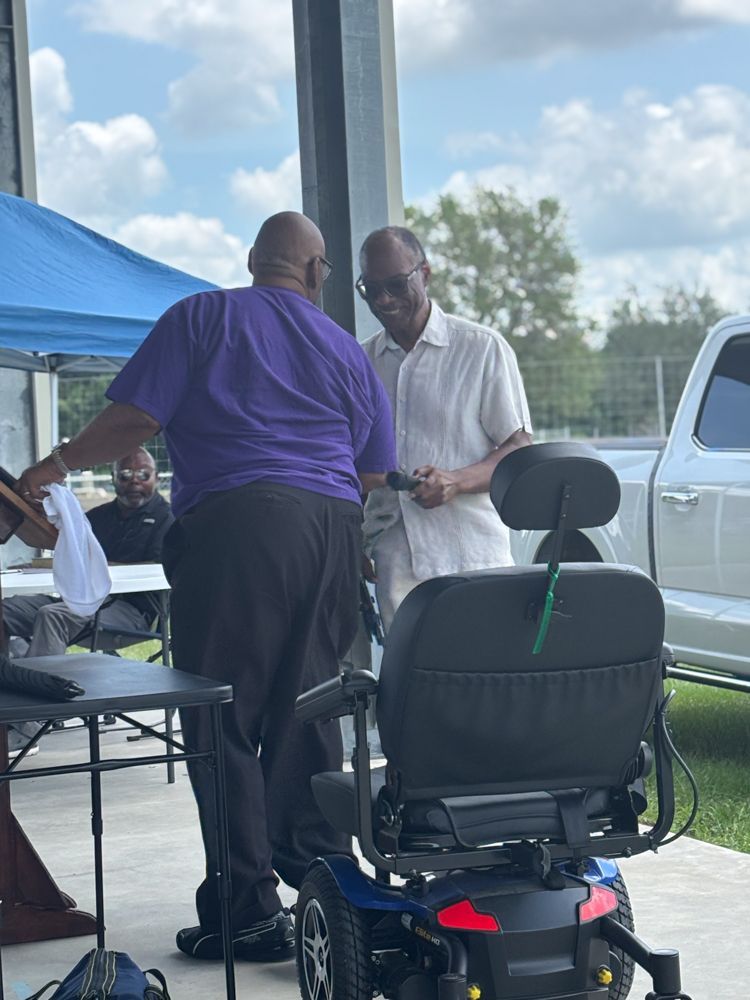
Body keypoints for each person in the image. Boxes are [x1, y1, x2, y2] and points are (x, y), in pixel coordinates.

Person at [16, 212, 397, 962]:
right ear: (318, 275)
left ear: (254, 261)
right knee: (309, 712)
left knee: (222, 715)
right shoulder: (347, 350)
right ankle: (330, 892)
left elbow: (135, 419)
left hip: (239, 527)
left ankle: (247, 910)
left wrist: (54, 466)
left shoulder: (202, 315)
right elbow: (377, 470)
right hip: (332, 530)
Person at [357, 226, 532, 628]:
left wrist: (455, 480)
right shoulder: (360, 360)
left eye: (397, 285)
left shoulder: (481, 347)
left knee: (482, 682)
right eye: (371, 289)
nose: (384, 299)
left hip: (472, 556)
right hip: (393, 562)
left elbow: (519, 448)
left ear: (426, 273)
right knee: (412, 687)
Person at [4, 447, 173, 660]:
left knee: (53, 616)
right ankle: (13, 673)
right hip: (76, 597)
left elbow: (159, 569)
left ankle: (37, 688)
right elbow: (73, 552)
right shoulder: (97, 517)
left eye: (143, 474)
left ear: (156, 478)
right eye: (125, 474)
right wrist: (40, 566)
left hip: (132, 610)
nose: (134, 481)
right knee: (6, 610)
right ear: (113, 478)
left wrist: (97, 567)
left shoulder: (167, 520)